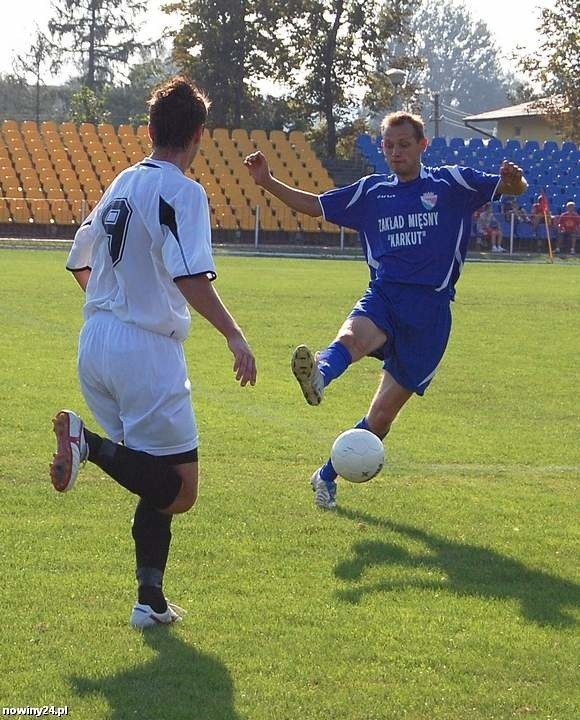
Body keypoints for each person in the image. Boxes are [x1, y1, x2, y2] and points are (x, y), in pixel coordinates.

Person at [50, 77, 257, 627]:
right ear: (198, 136)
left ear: (149, 130)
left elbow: (78, 258)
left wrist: (111, 306)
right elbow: (190, 276)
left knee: (151, 472)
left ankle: (150, 600)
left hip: (96, 341)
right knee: (180, 489)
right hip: (145, 350)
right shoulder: (184, 191)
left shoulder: (121, 182)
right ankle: (86, 444)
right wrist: (234, 334)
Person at [245, 111, 527, 510]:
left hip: (430, 313)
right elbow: (315, 206)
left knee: (380, 419)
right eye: (389, 145)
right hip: (386, 295)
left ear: (422, 146)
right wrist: (267, 182)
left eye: (404, 144)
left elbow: (510, 187)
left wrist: (514, 181)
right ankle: (320, 375)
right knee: (350, 338)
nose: (395, 152)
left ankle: (326, 476)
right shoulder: (371, 192)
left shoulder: (452, 183)